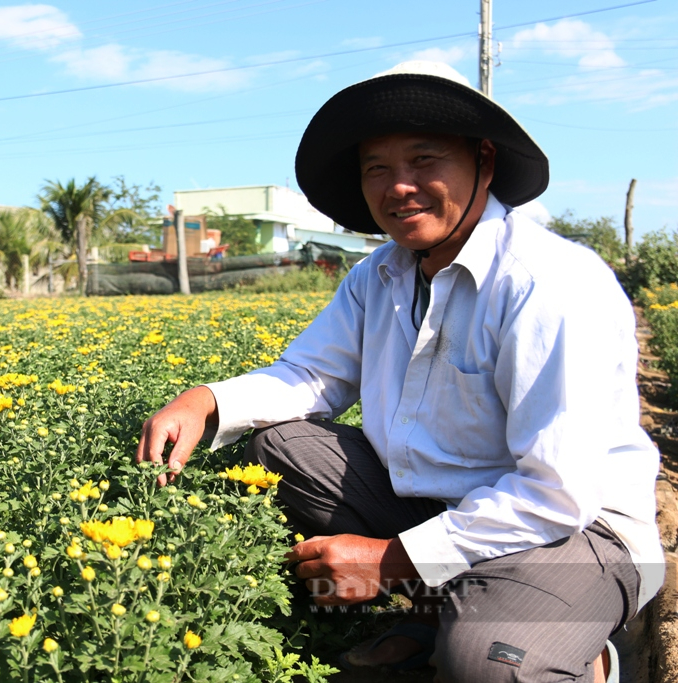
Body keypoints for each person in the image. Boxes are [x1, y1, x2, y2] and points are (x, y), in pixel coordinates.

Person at [136, 62, 663, 683]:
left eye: (424, 160)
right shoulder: (379, 275)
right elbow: (313, 375)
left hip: (577, 533)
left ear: (484, 161)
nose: (399, 187)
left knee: (488, 666)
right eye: (377, 168)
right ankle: (448, 608)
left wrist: (389, 561)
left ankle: (574, 649)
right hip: (448, 509)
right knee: (281, 445)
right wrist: (205, 402)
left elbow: (555, 493)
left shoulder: (549, 283)